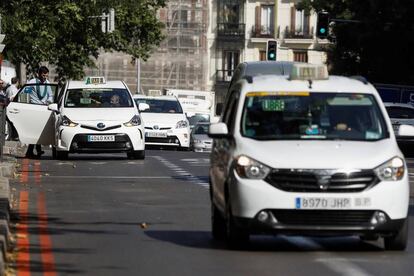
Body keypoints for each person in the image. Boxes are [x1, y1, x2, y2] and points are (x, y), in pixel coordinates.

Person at [25, 66, 53, 158]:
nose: (45, 77)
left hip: (43, 108)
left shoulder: (47, 83)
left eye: (46, 75)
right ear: (39, 74)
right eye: (43, 75)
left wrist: (48, 101)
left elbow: (50, 96)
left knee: (39, 130)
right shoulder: (32, 82)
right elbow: (25, 93)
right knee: (34, 130)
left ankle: (32, 151)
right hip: (34, 107)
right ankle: (37, 150)